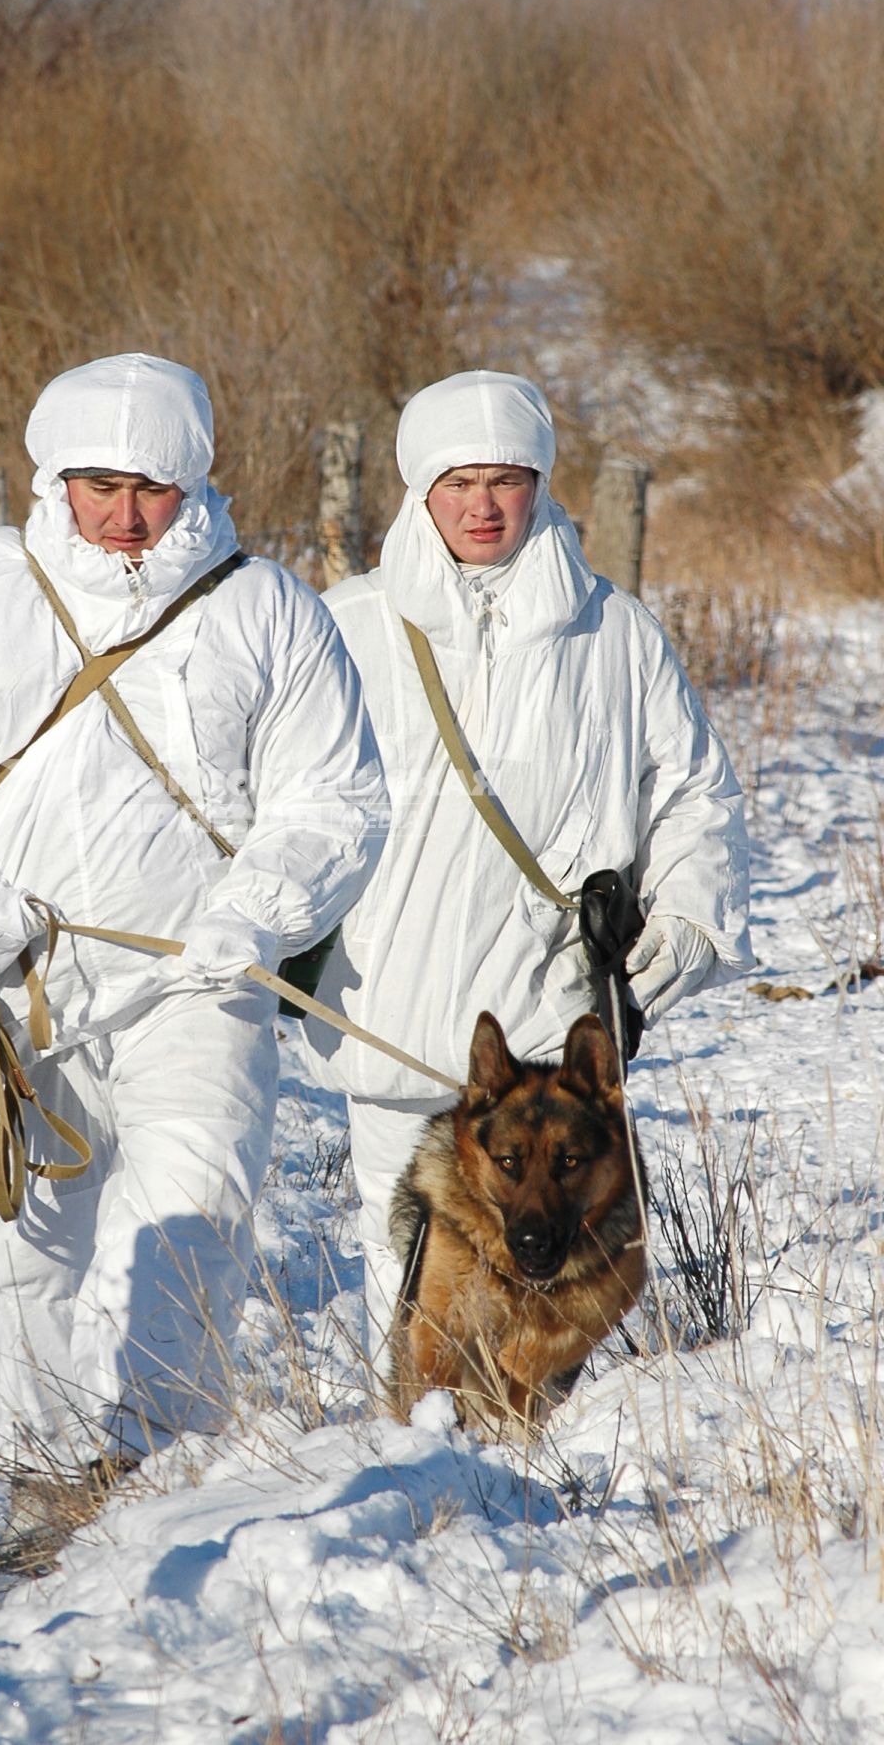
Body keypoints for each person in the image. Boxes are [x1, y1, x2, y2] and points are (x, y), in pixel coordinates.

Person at [0, 352, 387, 1513]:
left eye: (153, 489)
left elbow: (334, 797)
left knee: (194, 1203)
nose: (126, 516)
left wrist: (257, 913)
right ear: (55, 474)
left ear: (195, 483)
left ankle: (142, 1475)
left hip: (202, 975)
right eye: (99, 484)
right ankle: (36, 1481)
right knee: (36, 1242)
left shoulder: (263, 604)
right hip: (17, 979)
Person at [301, 369, 753, 1377]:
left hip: (550, 1022)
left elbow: (695, 795)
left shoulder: (614, 633)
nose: (481, 503)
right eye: (456, 479)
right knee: (415, 1282)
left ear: (540, 484)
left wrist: (683, 920)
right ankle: (424, 1470)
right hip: (391, 1005)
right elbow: (271, 797)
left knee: (554, 1286)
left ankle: (524, 1480)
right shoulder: (341, 627)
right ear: (420, 489)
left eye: (505, 478)